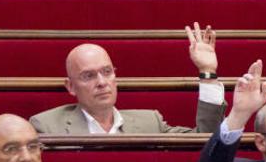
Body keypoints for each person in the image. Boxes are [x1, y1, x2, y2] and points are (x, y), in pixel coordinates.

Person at [29, 23, 225, 133]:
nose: (102, 82)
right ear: (70, 86)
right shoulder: (46, 126)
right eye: (88, 76)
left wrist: (207, 71)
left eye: (107, 72)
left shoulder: (151, 122)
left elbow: (206, 139)